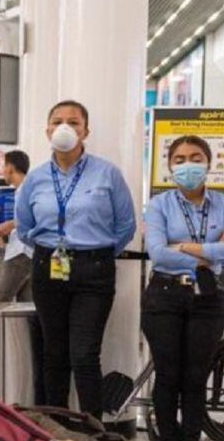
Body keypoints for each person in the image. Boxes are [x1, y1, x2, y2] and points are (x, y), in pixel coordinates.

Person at [16, 101, 136, 420]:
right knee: (54, 353)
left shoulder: (107, 173)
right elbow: (25, 227)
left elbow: (125, 226)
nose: (65, 127)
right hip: (47, 267)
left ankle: (92, 426)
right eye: (57, 121)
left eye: (73, 122)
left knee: (84, 354)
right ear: (47, 130)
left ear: (86, 130)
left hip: (94, 271)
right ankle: (57, 423)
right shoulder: (36, 178)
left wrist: (95, 254)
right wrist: (51, 248)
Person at [142, 135, 224, 441]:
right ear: (170, 166)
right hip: (164, 296)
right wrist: (208, 251)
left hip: (208, 296)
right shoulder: (159, 205)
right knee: (169, 372)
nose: (188, 165)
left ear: (208, 163)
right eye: (180, 159)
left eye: (196, 157)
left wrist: (184, 247)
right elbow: (157, 252)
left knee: (196, 374)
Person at [0, 150, 45, 403]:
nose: (2, 171)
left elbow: (26, 221)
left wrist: (7, 226)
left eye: (4, 166)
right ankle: (25, 365)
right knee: (26, 308)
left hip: (20, 254)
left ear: (11, 167)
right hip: (28, 254)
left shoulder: (25, 189)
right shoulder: (25, 189)